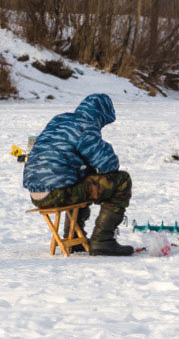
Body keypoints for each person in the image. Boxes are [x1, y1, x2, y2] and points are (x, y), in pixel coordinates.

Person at [22, 94, 134, 256]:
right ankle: (103, 240)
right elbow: (108, 164)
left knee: (84, 176)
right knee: (121, 180)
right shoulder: (86, 126)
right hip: (57, 193)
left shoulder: (59, 120)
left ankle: (73, 237)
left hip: (36, 194)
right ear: (101, 115)